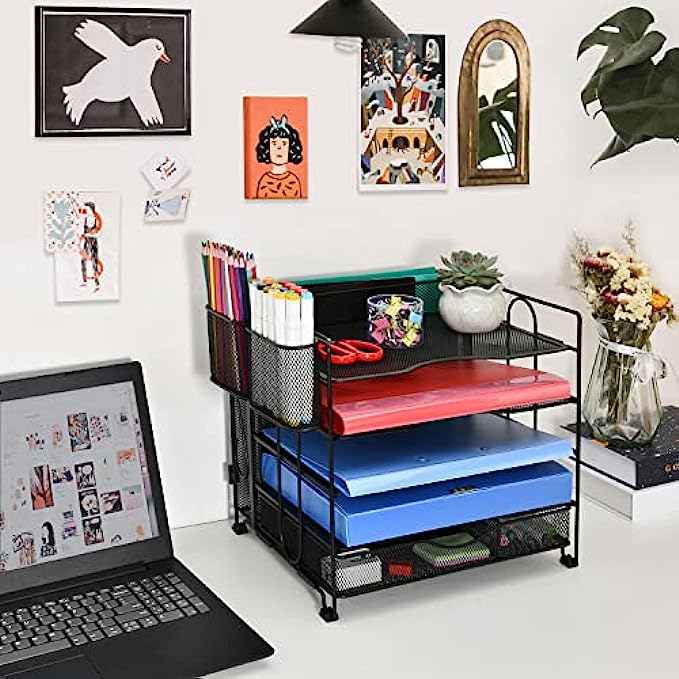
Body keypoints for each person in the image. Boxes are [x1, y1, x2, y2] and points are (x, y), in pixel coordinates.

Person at [255, 115, 304, 199]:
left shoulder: (293, 181)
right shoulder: (264, 181)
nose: (279, 148)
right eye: (274, 143)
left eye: (284, 144)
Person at [79, 201, 103, 291]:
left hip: (93, 241)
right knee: (83, 260)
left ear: (91, 209)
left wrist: (89, 233)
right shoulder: (85, 219)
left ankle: (97, 284)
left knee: (94, 261)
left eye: (87, 209)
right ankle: (84, 281)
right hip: (86, 241)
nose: (86, 210)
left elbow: (98, 232)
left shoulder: (96, 219)